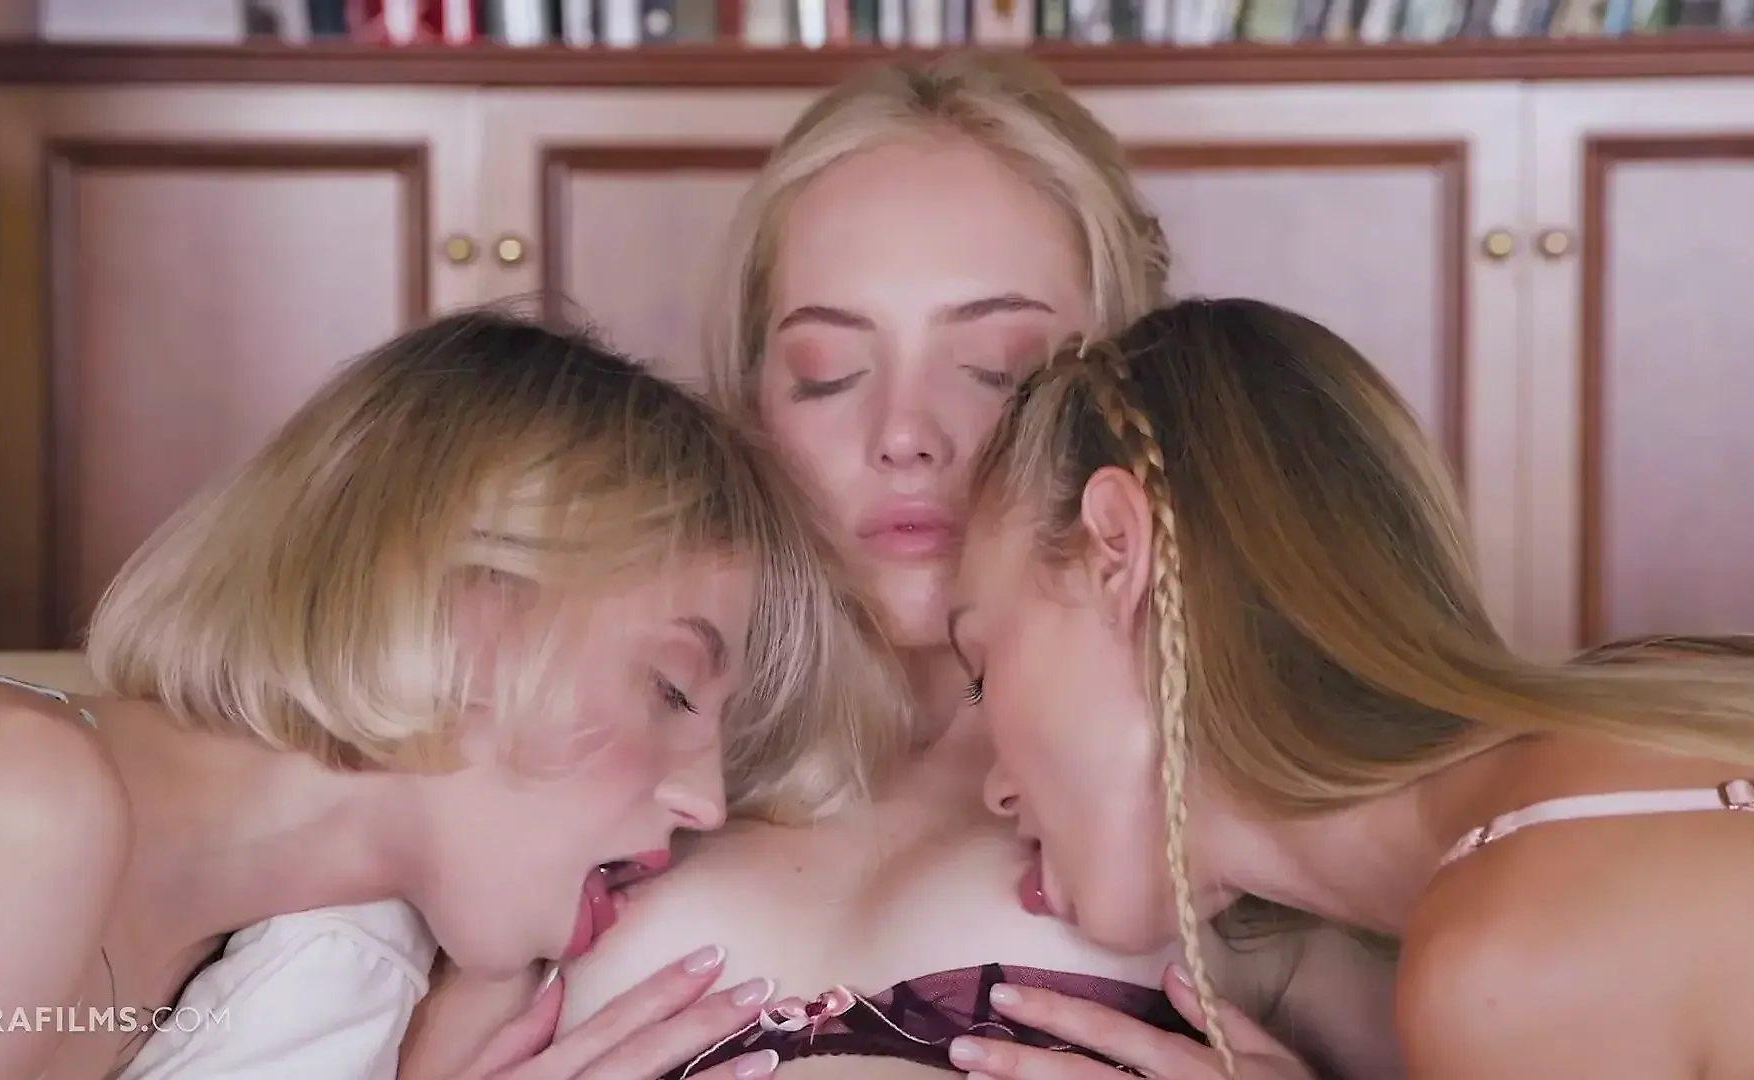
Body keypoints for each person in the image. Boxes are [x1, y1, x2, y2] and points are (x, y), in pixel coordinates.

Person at [557, 54, 1401, 1080]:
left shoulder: (1234, 808)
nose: (904, 434)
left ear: (1119, 401)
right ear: (750, 411)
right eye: (828, 375)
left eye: (1002, 371)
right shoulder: (601, 760)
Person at [0, 312, 880, 1080]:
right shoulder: (3, 802)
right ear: (462, 606)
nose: (705, 802)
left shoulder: (283, 963)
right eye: (669, 689)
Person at [946, 296, 1754, 1080]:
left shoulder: (1512, 967)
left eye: (981, 672)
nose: (995, 790)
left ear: (1117, 551)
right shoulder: (1665, 711)